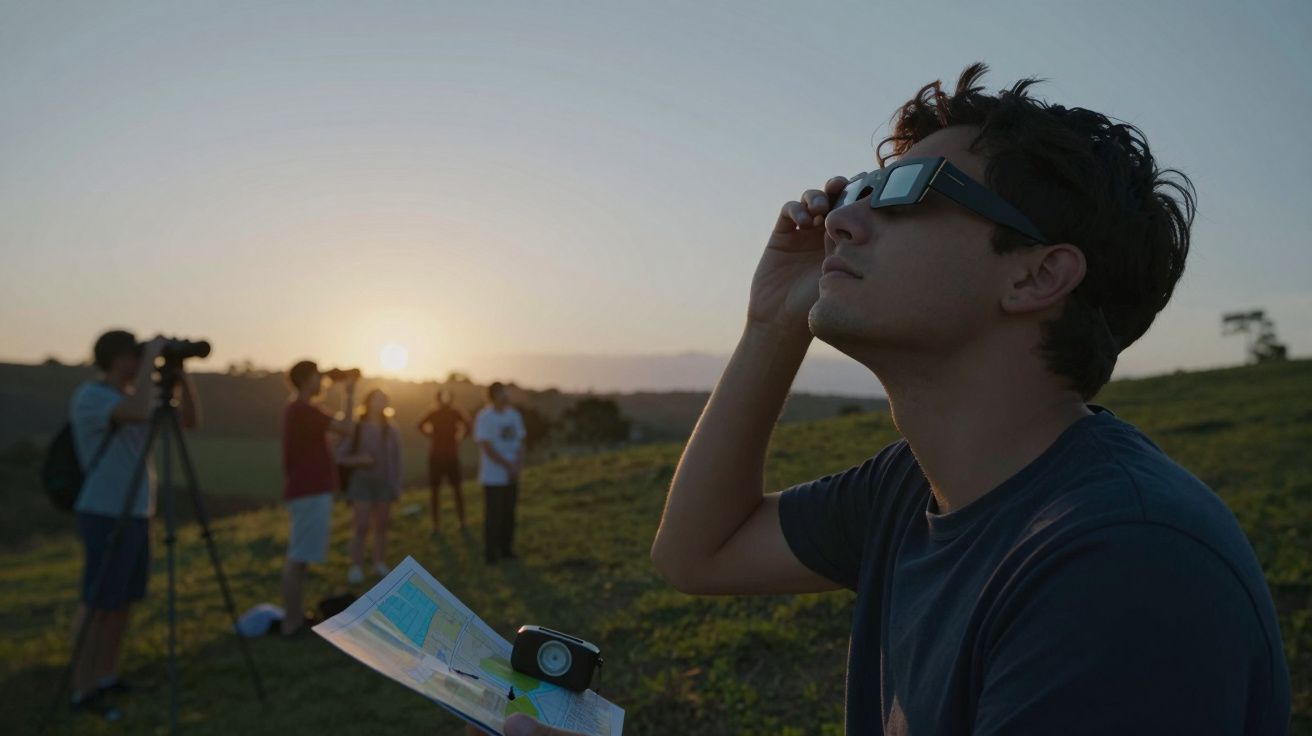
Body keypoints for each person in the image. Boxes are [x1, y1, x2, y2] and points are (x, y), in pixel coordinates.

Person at [649, 64, 1291, 734]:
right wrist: (774, 321)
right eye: (860, 190)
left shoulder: (1125, 564)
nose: (839, 220)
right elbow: (699, 552)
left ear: (1037, 275)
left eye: (904, 192)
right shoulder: (912, 488)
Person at [68, 329, 200, 720]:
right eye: (136, 354)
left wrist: (180, 374)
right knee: (97, 603)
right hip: (104, 511)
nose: (142, 361)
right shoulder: (92, 397)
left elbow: (190, 420)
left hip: (138, 512)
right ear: (116, 358)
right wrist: (152, 360)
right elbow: (139, 411)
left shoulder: (138, 394)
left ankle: (107, 675)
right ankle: (82, 688)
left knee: (122, 602)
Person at [280, 360, 354, 637]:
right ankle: (291, 623)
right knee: (298, 557)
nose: (321, 380)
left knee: (301, 557)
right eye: (317, 375)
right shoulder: (303, 410)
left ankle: (296, 617)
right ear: (305, 379)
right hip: (309, 490)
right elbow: (346, 428)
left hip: (308, 490)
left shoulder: (300, 411)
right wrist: (349, 394)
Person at [341, 388, 402, 584]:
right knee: (361, 525)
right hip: (361, 483)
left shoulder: (391, 429)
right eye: (375, 399)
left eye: (382, 399)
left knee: (381, 526)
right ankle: (356, 566)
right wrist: (360, 460)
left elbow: (396, 460)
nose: (379, 403)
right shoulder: (357, 428)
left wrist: (395, 485)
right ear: (367, 402)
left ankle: (379, 563)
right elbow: (340, 456)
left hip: (384, 484)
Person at [474, 382, 526, 564]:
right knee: (493, 515)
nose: (505, 396)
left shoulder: (514, 415)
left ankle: (506, 549)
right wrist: (507, 465)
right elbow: (486, 446)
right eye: (501, 393)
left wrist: (516, 466)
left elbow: (521, 442)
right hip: (493, 476)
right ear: (493, 396)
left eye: (505, 392)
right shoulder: (484, 417)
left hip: (512, 474)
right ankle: (491, 553)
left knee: (509, 513)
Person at [418, 389, 471, 533]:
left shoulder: (455, 412)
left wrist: (459, 437)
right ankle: (436, 525)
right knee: (435, 491)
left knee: (457, 489)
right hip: (437, 457)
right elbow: (420, 425)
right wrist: (432, 435)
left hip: (451, 456)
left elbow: (468, 426)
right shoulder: (434, 413)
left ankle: (462, 521)